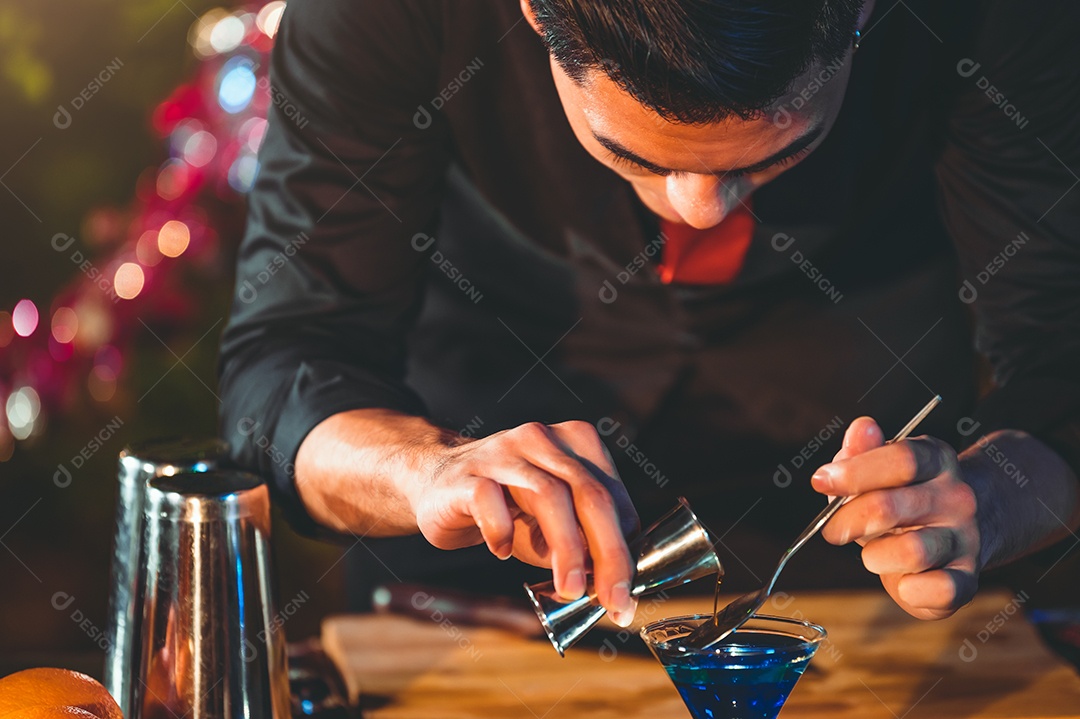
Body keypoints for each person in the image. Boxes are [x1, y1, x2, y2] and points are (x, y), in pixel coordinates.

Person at [219, 0, 1080, 627]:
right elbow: (285, 366)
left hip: (856, 584)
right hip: (478, 583)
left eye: (777, 152)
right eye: (628, 152)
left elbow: (1063, 362)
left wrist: (993, 500)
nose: (699, 208)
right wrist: (427, 471)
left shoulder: (1006, 16)